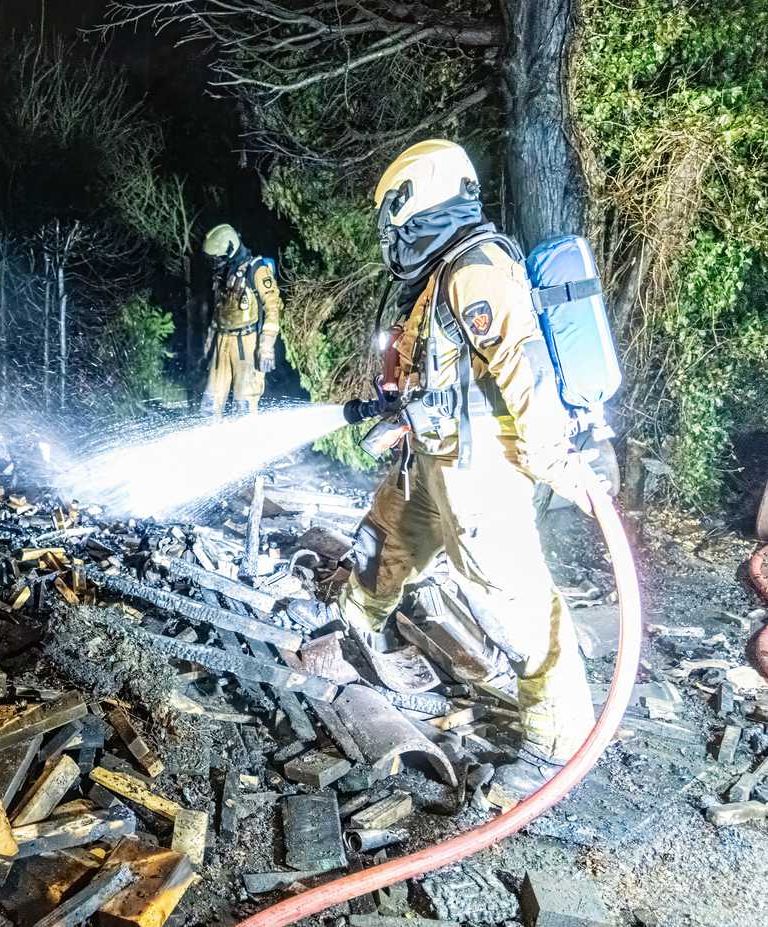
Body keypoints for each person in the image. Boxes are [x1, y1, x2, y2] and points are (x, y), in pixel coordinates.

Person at [334, 140, 605, 806]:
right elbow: (444, 378)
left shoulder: (475, 269)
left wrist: (550, 454)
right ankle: (349, 625)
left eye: (394, 217)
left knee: (510, 599)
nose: (390, 234)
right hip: (434, 465)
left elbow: (521, 364)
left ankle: (556, 740)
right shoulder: (442, 279)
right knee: (382, 541)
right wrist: (395, 401)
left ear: (420, 201)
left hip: (482, 475)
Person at [200, 224, 281, 416]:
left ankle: (245, 443)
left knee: (243, 406)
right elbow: (218, 310)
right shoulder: (223, 274)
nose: (214, 262)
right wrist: (210, 341)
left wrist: (267, 346)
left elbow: (272, 306)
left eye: (216, 257)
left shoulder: (256, 269)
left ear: (229, 248)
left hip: (246, 344)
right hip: (222, 341)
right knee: (209, 406)